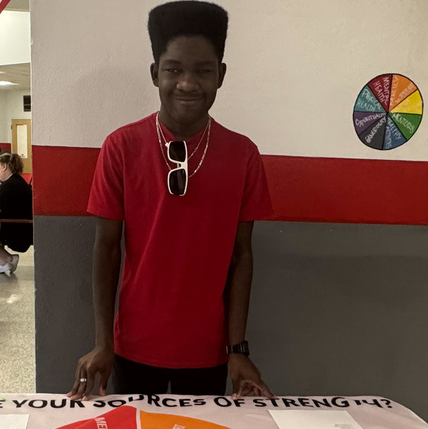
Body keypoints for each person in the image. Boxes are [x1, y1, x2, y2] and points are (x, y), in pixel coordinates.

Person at [69, 1, 274, 400]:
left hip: (209, 353)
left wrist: (237, 349)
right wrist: (102, 343)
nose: (188, 83)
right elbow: (107, 249)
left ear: (221, 75)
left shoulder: (244, 155)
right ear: (155, 73)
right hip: (132, 348)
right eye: (174, 70)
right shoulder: (121, 147)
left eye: (203, 71)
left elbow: (241, 256)